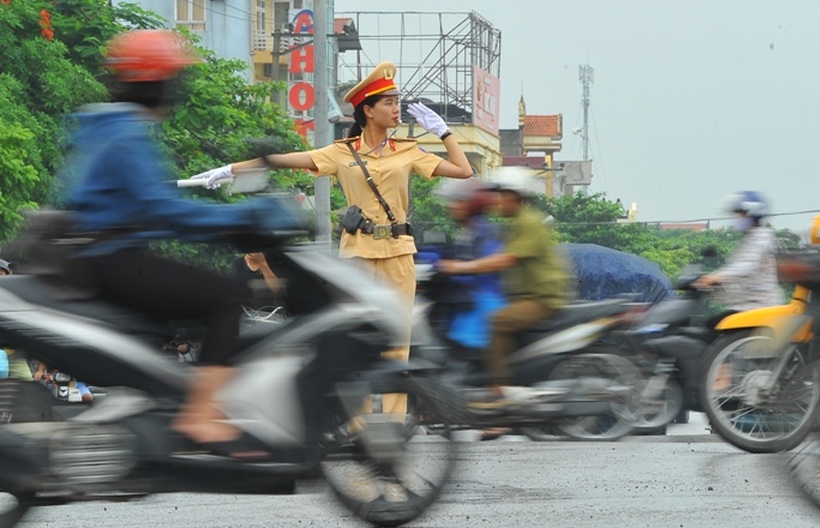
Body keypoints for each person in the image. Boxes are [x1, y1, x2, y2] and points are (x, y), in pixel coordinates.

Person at [192, 61, 472, 416]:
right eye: (388, 102)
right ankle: (353, 427)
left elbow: (464, 171)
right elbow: (286, 160)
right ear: (368, 111)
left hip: (399, 254)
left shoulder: (408, 150)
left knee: (398, 341)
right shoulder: (342, 152)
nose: (396, 108)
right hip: (356, 253)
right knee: (353, 340)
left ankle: (393, 427)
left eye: (397, 101)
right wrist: (232, 169)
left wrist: (444, 132)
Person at [60, 30, 297, 446]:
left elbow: (152, 210)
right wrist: (244, 218)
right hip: (114, 259)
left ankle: (162, 402)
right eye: (172, 82)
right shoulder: (129, 134)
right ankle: (200, 415)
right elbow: (163, 210)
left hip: (97, 256)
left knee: (183, 289)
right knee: (222, 298)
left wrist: (223, 226)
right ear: (155, 84)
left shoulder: (103, 125)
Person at [435, 167, 572, 403]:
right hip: (524, 295)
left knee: (497, 321)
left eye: (501, 195)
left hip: (542, 298)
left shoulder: (527, 222)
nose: (496, 201)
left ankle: (501, 390)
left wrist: (460, 267)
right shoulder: (514, 223)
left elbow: (506, 259)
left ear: (514, 196)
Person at [431, 177, 505, 349]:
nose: (452, 206)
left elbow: (486, 267)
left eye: (458, 201)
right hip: (467, 299)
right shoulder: (467, 232)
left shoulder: (487, 233)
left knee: (460, 342)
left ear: (473, 204)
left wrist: (455, 267)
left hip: (484, 301)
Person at [693, 191, 783, 311]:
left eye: (741, 214)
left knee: (715, 324)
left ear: (753, 214)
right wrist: (709, 290)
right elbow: (736, 288)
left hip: (761, 307)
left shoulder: (762, 237)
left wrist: (715, 277)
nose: (737, 218)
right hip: (747, 306)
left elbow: (745, 266)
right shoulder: (749, 240)